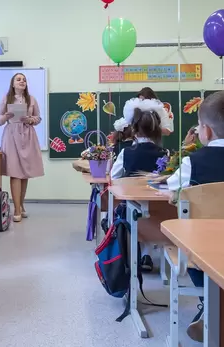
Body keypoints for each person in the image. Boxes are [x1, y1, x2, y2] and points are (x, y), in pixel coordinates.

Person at [166, 91, 224, 342]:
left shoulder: (194, 162)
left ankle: (207, 302)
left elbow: (172, 192)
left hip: (204, 252)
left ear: (207, 131)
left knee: (190, 251)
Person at [110, 108, 168, 272]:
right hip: (158, 210)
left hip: (131, 209)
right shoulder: (165, 153)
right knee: (152, 214)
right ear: (157, 131)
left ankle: (135, 253)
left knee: (133, 212)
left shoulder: (126, 152)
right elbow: (166, 181)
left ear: (134, 130)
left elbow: (114, 178)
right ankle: (147, 254)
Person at [0, 73, 44, 222]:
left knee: (25, 173)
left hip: (28, 135)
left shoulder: (32, 99)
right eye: (18, 79)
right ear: (12, 84)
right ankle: (16, 209)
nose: (22, 81)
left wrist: (30, 119)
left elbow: (38, 118)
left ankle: (21, 205)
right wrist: (7, 116)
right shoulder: (6, 98)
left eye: (24, 80)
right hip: (11, 136)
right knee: (15, 172)